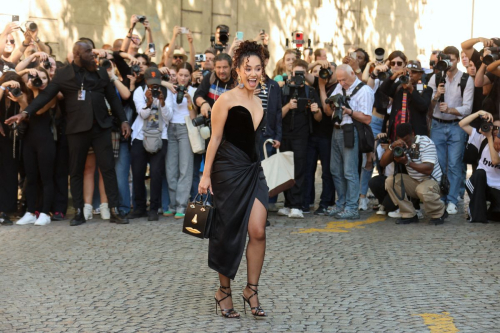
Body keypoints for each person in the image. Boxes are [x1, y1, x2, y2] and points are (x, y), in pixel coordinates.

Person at [5, 41, 131, 226]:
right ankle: (79, 211)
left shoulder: (101, 72)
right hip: (77, 129)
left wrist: (124, 121)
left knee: (108, 169)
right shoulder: (64, 74)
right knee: (76, 171)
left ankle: (114, 210)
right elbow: (46, 95)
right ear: (77, 55)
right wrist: (25, 113)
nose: (92, 54)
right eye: (88, 52)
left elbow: (112, 98)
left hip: (101, 127)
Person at [198, 40, 267, 318]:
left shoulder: (260, 99)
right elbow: (214, 139)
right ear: (238, 70)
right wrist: (205, 175)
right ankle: (223, 292)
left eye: (258, 68)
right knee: (226, 231)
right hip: (226, 170)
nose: (253, 73)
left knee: (258, 231)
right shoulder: (225, 99)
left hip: (253, 169)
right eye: (248, 68)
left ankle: (251, 289)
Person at [428, 46, 474, 215]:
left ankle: (452, 200)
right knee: (438, 164)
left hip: (456, 125)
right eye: (447, 60)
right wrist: (435, 95)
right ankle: (440, 198)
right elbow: (428, 105)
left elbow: (467, 108)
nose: (449, 63)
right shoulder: (436, 77)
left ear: (457, 60)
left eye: (453, 60)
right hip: (438, 125)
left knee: (454, 164)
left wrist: (450, 110)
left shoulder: (466, 79)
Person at [326, 64, 374, 220]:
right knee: (335, 169)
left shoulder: (364, 91)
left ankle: (352, 207)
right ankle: (341, 204)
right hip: (336, 130)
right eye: (339, 80)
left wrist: (349, 111)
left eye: (344, 80)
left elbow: (367, 118)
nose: (341, 84)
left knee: (349, 171)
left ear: (353, 73)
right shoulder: (340, 86)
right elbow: (329, 109)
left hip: (350, 131)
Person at [277, 59, 322, 219]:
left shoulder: (310, 92)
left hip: (302, 137)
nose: (298, 77)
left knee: (299, 171)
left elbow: (319, 118)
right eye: (296, 74)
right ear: (291, 74)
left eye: (302, 74)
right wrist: (288, 106)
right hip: (284, 136)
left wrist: (316, 110)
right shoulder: (284, 90)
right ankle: (288, 203)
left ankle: (297, 205)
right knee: (286, 171)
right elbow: (276, 116)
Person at [381, 123, 447, 225]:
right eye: (402, 140)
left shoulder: (425, 142)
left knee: (422, 189)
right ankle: (409, 214)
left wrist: (407, 162)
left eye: (407, 140)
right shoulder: (399, 145)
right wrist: (391, 147)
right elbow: (383, 163)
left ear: (412, 134)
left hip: (433, 181)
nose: (406, 144)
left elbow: (428, 169)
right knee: (391, 181)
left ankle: (439, 212)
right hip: (415, 182)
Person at [15, 67, 57, 226]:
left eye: (44, 78)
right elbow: (14, 76)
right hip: (29, 141)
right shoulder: (26, 94)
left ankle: (45, 213)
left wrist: (34, 92)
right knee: (30, 177)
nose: (40, 81)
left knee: (46, 178)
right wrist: (26, 73)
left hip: (45, 140)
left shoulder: (51, 96)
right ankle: (30, 211)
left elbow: (37, 111)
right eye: (36, 78)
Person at [130, 67, 171, 221]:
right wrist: (148, 102)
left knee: (156, 173)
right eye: (151, 83)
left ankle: (154, 208)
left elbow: (168, 117)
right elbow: (143, 114)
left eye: (156, 83)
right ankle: (140, 207)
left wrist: (162, 102)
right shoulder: (139, 92)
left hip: (161, 136)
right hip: (140, 136)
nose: (154, 87)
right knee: (138, 173)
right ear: (145, 80)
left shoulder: (166, 92)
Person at [165, 62, 197, 219]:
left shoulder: (193, 90)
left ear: (190, 77)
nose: (183, 78)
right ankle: (172, 204)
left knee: (185, 169)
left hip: (186, 128)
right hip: (170, 128)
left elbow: (194, 118)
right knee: (171, 169)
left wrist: (190, 101)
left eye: (186, 75)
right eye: (181, 75)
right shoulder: (170, 89)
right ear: (175, 75)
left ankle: (181, 205)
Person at [460, 111, 500, 223]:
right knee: (480, 172)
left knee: (497, 214)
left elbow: (495, 160)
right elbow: (462, 124)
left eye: (499, 128)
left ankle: (491, 211)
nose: (496, 130)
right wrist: (479, 113)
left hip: (497, 188)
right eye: (494, 127)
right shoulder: (482, 139)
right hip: (480, 184)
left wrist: (490, 139)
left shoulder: (488, 139)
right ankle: (476, 214)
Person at [0, 72, 28, 225]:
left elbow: (29, 112)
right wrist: (2, 87)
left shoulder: (19, 95)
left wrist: (20, 98)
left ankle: (6, 210)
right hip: (2, 137)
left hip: (14, 139)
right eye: (8, 85)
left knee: (10, 175)